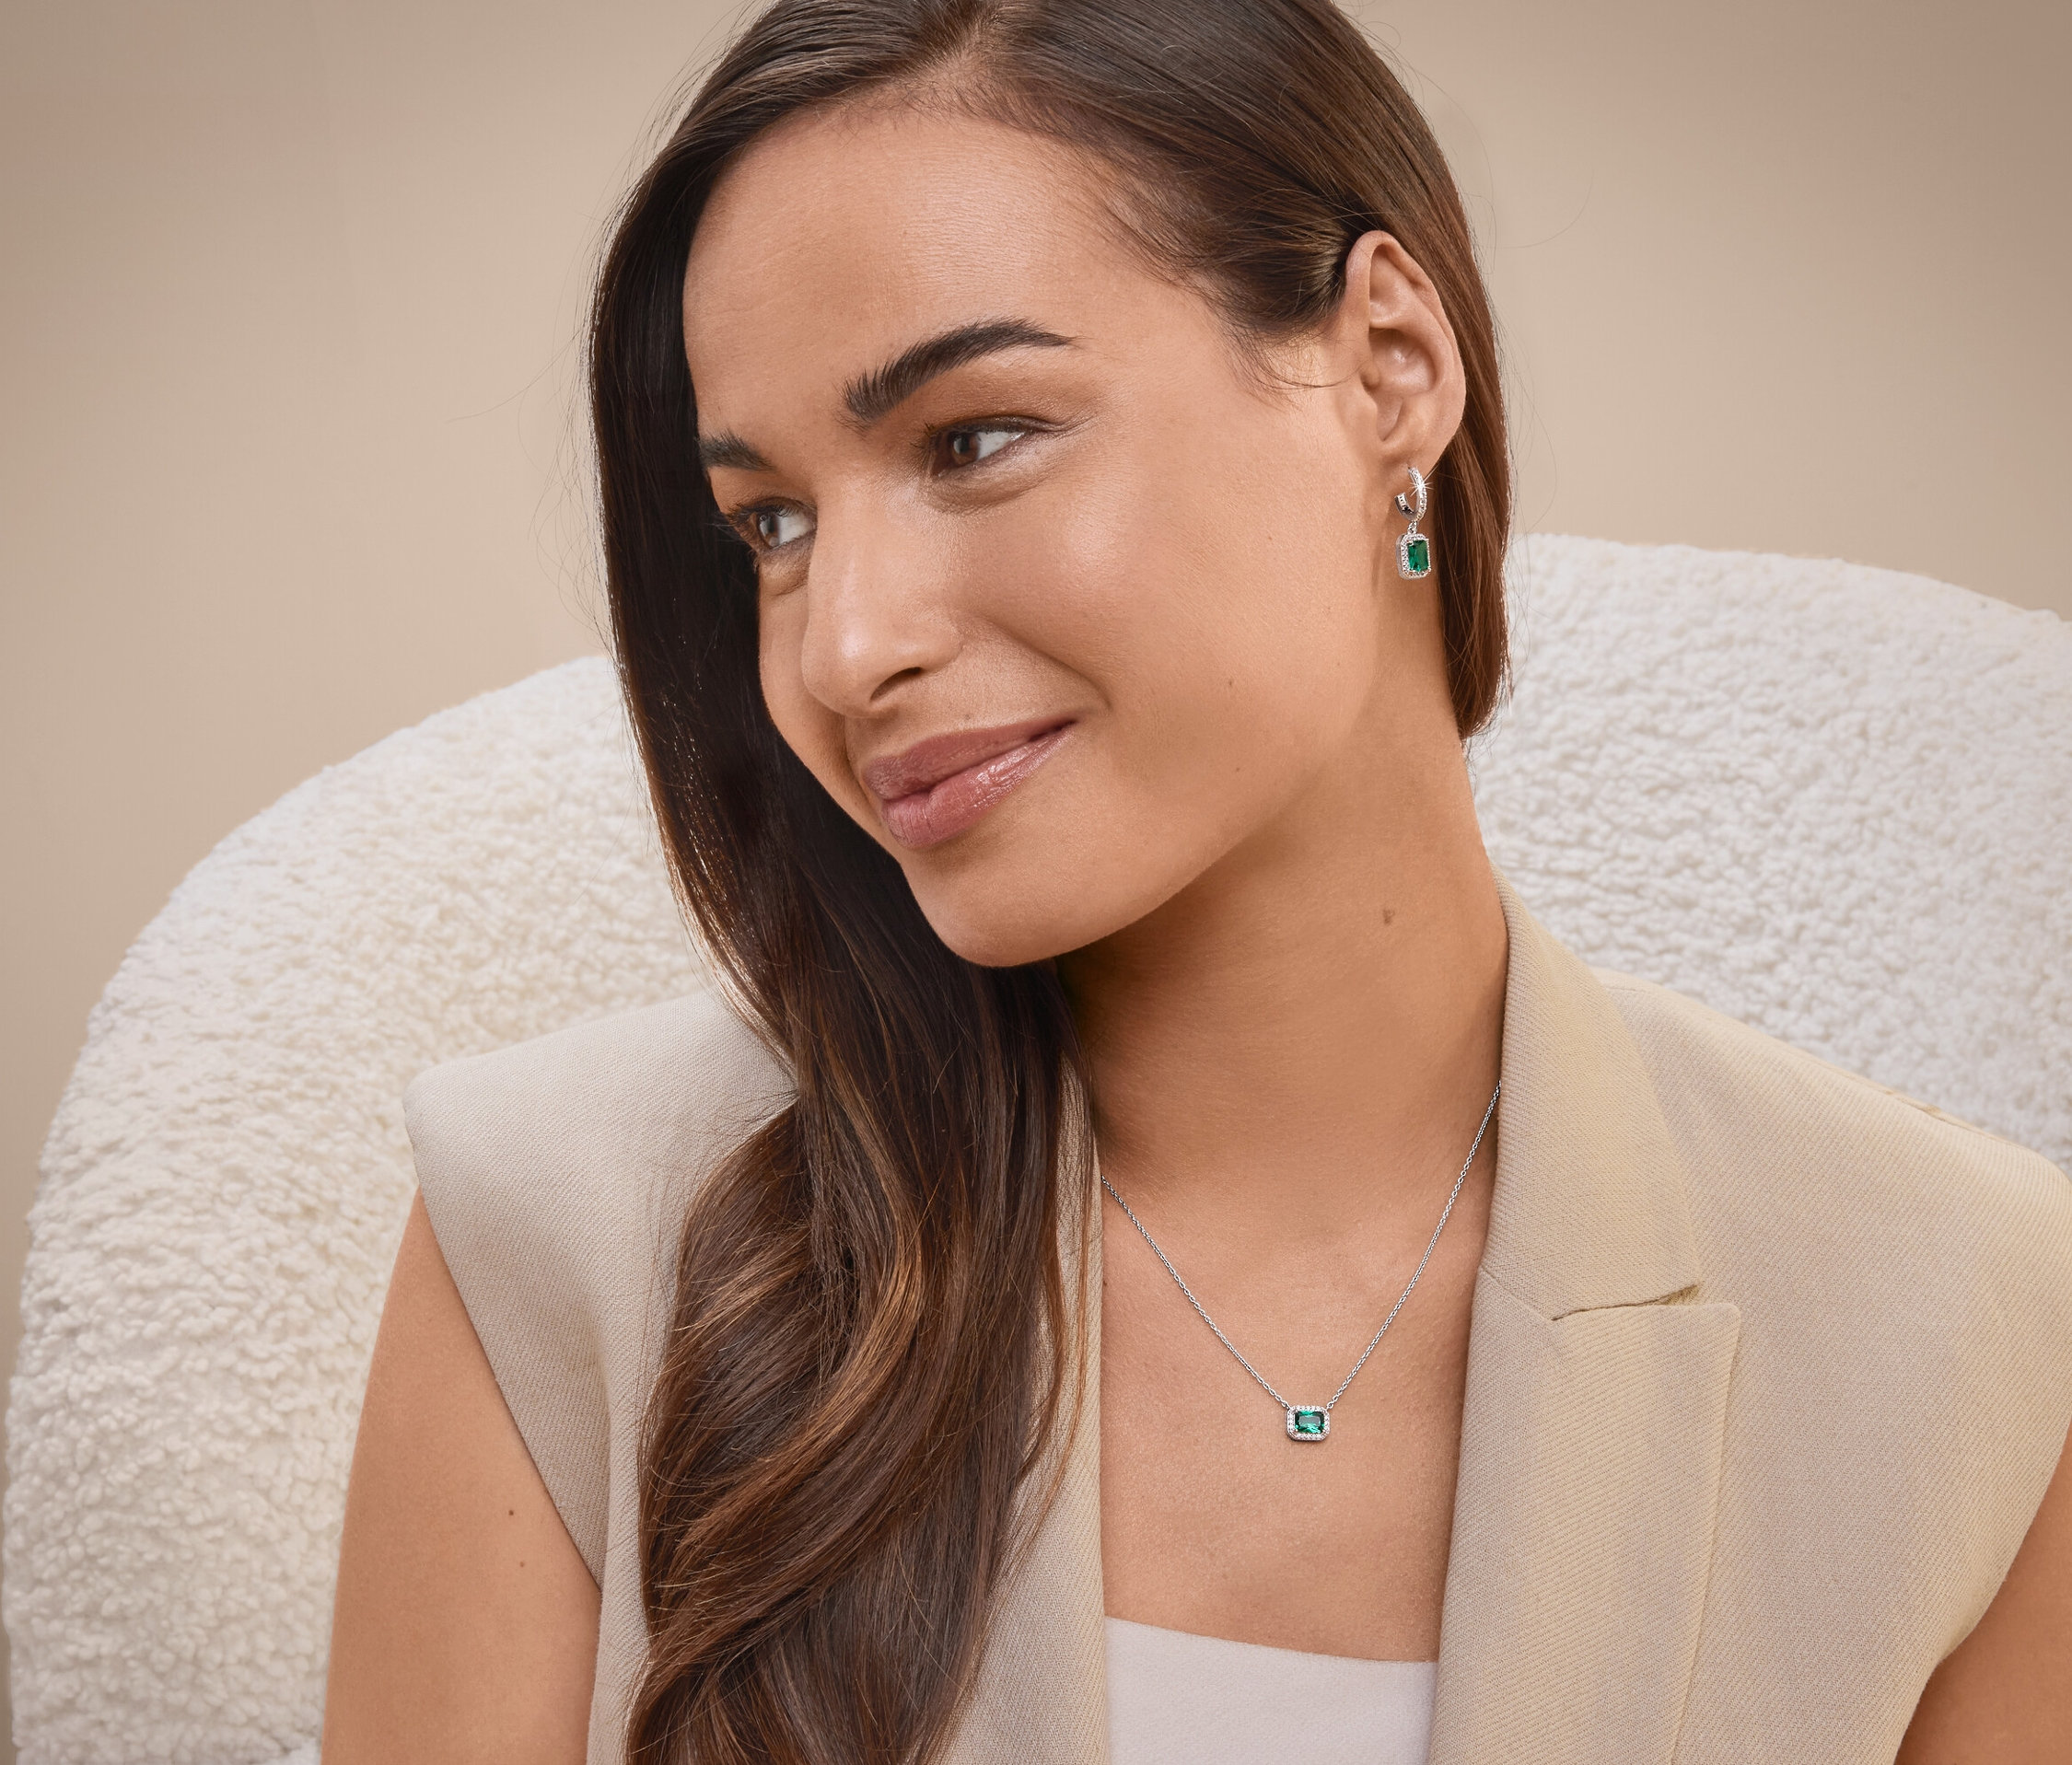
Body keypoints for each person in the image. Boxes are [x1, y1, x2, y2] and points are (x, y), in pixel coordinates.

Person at [319, 1, 2072, 1759]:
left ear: (1388, 364)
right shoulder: (557, 1239)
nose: (843, 649)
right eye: (770, 524)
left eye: (973, 436)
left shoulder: (1964, 1330)